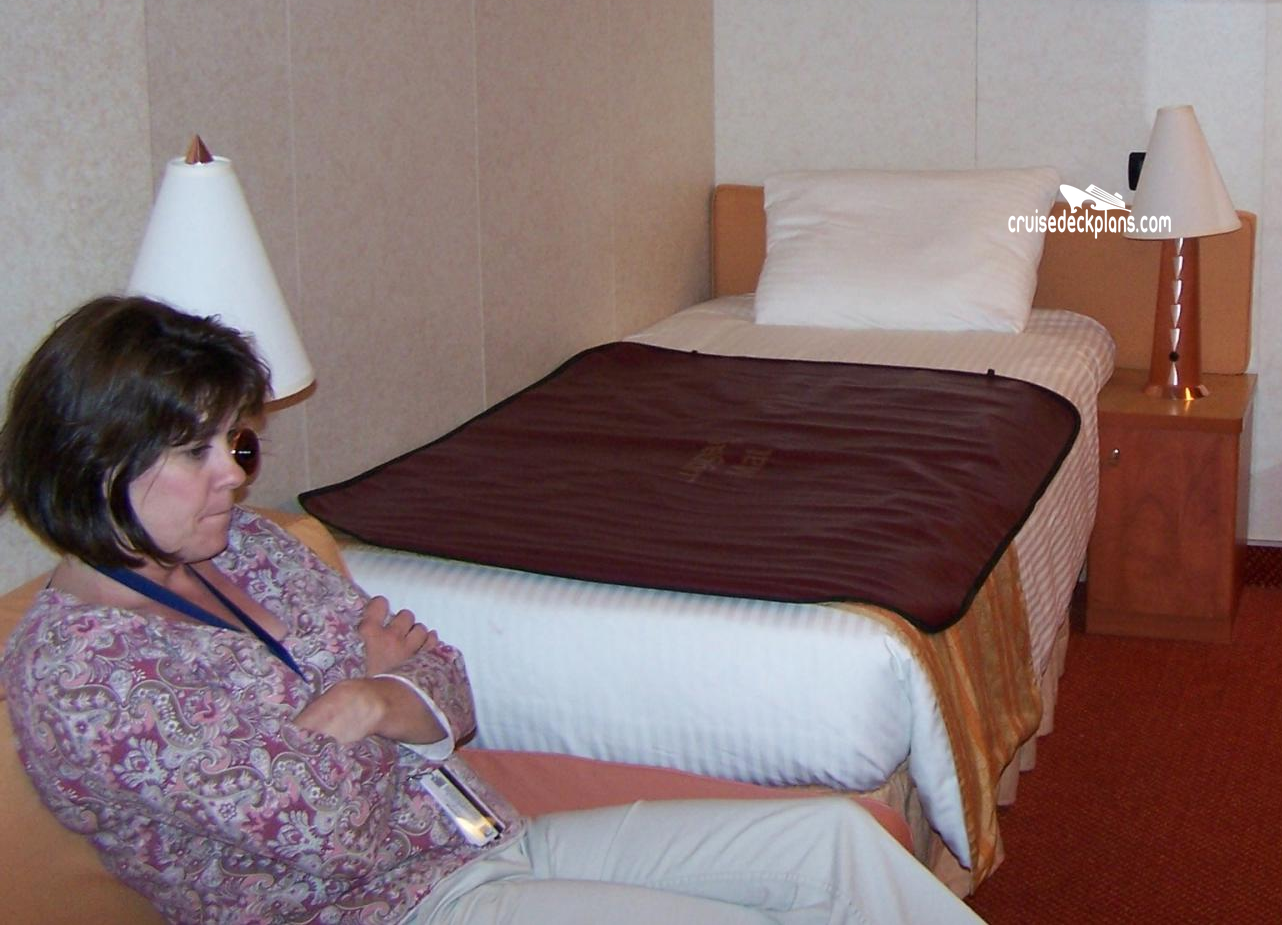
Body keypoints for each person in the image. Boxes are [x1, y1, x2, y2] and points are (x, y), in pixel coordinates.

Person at [0, 296, 983, 925]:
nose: (235, 475)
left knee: (833, 842)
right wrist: (378, 690)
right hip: (378, 910)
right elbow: (331, 836)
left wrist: (370, 701)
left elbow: (446, 684)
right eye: (198, 452)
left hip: (480, 837)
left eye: (236, 445)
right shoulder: (88, 674)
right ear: (95, 460)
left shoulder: (252, 547)